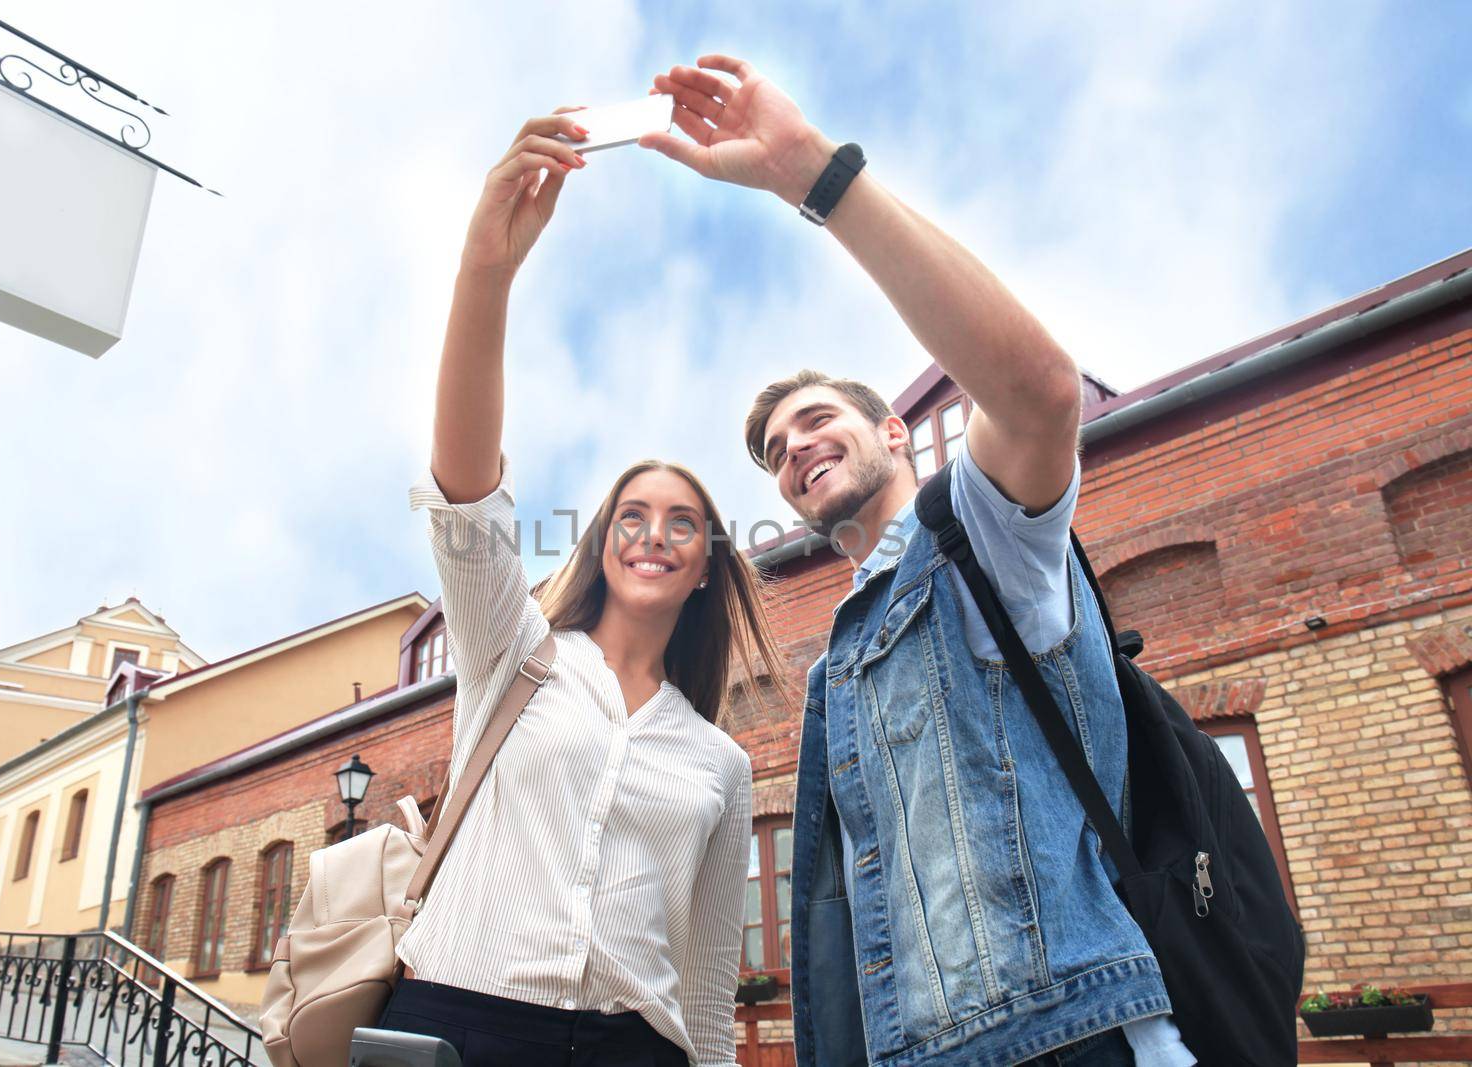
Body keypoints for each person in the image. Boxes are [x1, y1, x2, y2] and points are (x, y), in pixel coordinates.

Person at [640, 55, 1196, 1065]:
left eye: (815, 421)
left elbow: (1035, 390)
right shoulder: (844, 654)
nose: (793, 448)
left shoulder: (981, 537)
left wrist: (812, 170)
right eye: (773, 452)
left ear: (897, 432)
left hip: (1062, 1037)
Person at [374, 108, 786, 1067]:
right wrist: (490, 268)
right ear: (602, 544)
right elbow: (465, 493)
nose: (655, 533)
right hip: (456, 1022)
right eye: (633, 515)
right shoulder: (511, 650)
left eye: (683, 521)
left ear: (708, 565)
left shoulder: (719, 763)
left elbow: (712, 975)